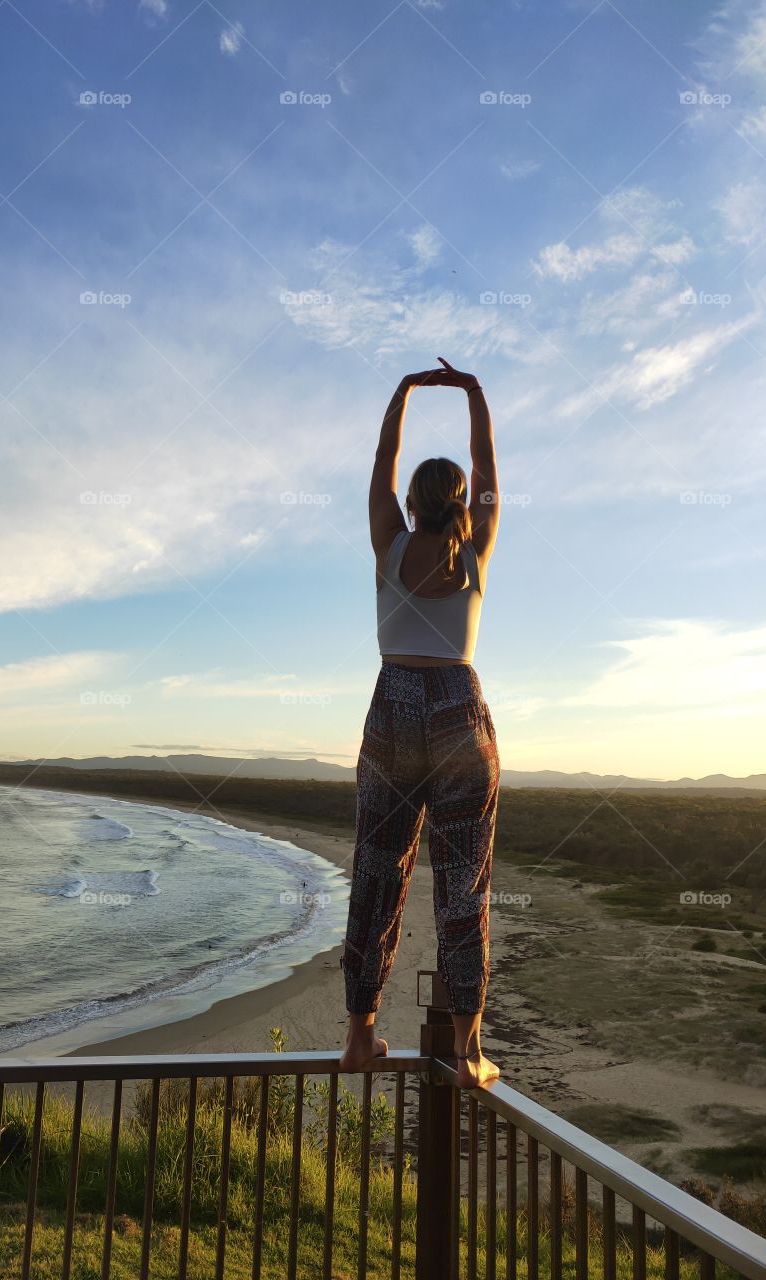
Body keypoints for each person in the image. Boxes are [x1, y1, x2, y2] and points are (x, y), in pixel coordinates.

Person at [338, 357, 502, 1089]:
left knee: (379, 870)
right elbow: (487, 462)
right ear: (462, 499)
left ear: (412, 499)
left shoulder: (390, 541)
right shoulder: (475, 547)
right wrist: (473, 393)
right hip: (458, 714)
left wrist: (403, 392)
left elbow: (381, 458)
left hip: (396, 703)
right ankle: (467, 1053)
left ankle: (358, 1037)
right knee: (463, 883)